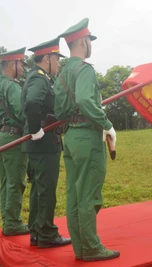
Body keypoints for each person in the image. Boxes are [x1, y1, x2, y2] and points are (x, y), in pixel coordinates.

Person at [53, 18, 119, 262]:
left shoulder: (61, 73)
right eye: (89, 40)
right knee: (89, 193)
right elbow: (84, 100)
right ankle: (91, 247)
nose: (90, 45)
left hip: (69, 136)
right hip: (87, 136)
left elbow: (60, 110)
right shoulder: (84, 69)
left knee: (74, 193)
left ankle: (81, 248)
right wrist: (107, 124)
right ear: (82, 41)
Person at [21, 38, 71, 248]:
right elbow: (33, 102)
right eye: (56, 59)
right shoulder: (39, 80)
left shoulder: (38, 78)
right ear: (48, 58)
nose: (58, 63)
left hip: (40, 143)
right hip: (44, 143)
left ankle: (36, 231)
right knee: (46, 189)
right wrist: (36, 130)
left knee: (38, 189)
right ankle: (47, 234)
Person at [0, 48, 29, 236]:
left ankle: (6, 219)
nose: (23, 69)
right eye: (21, 64)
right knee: (16, 182)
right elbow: (21, 112)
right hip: (13, 137)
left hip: (2, 136)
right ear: (12, 65)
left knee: (4, 182)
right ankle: (12, 223)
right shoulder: (12, 86)